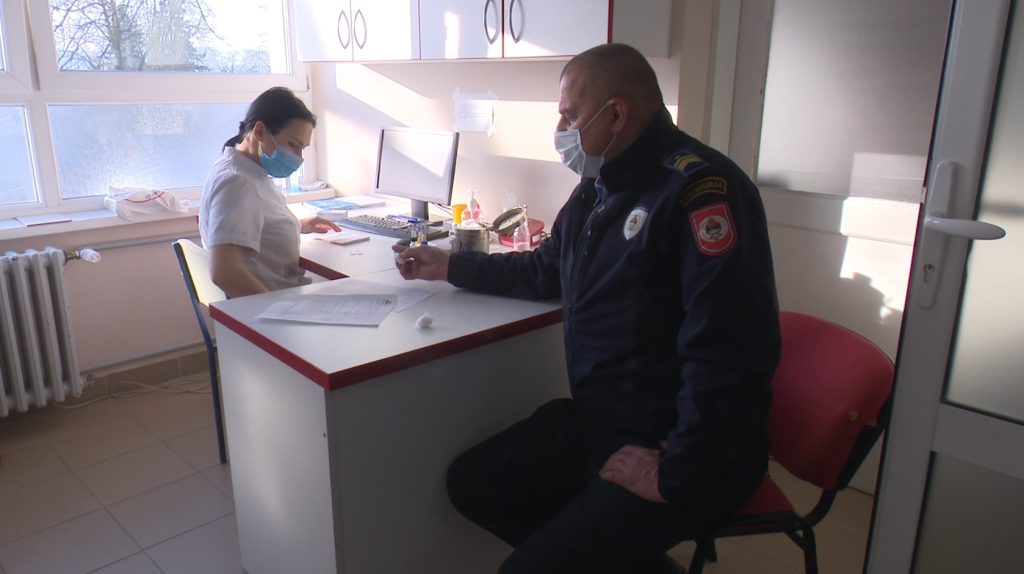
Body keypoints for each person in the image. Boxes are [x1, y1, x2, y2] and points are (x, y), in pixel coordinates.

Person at [393, 43, 781, 573]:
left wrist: (677, 472)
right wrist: (451, 266)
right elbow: (545, 268)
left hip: (681, 448)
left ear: (616, 115)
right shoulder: (598, 186)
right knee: (473, 483)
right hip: (606, 422)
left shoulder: (701, 192)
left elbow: (729, 352)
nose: (561, 129)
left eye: (570, 115)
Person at [200, 86, 339, 298]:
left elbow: (247, 222)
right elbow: (224, 272)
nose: (299, 157)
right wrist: (279, 310)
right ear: (259, 132)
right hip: (275, 306)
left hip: (280, 300)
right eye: (293, 144)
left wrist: (297, 225)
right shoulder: (238, 183)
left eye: (302, 148)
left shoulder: (241, 168)